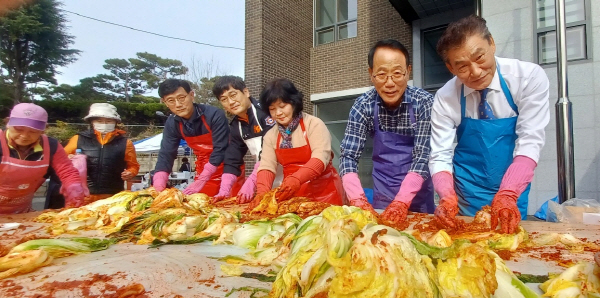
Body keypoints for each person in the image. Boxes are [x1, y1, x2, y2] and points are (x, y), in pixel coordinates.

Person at [430, 15, 550, 234]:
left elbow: (530, 141)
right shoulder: (446, 96)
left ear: (492, 43)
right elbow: (440, 155)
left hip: (511, 188)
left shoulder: (527, 77)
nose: (475, 72)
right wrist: (447, 198)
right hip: (466, 192)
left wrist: (508, 194)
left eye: (479, 57)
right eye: (462, 66)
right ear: (450, 68)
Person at [339, 39, 435, 223]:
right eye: (381, 74)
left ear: (408, 72)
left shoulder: (424, 103)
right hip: (383, 193)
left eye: (397, 73)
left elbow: (423, 156)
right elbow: (348, 157)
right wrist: (358, 200)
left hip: (419, 196)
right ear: (371, 74)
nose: (389, 83)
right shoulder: (363, 106)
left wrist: (401, 202)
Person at [249, 78, 344, 207]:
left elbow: (321, 157)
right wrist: (262, 193)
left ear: (294, 103)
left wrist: (296, 179)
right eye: (272, 109)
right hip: (294, 197)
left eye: (282, 106)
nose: (278, 113)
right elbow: (267, 166)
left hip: (326, 194)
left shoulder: (314, 124)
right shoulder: (270, 135)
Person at [153, 79, 244, 196]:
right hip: (203, 170)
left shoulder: (214, 114)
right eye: (171, 100)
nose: (178, 104)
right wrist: (159, 183)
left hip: (228, 167)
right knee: (202, 206)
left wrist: (203, 178)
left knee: (232, 205)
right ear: (165, 103)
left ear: (191, 95)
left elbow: (221, 148)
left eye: (181, 98)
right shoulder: (172, 123)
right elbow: (166, 154)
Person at [0, 103, 85, 213]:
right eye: (19, 129)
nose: (24, 136)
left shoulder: (51, 145)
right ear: (8, 124)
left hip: (20, 212)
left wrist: (74, 187)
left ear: (43, 131)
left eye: (33, 131)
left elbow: (67, 171)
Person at [211, 76, 280, 204]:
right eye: (224, 100)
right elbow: (232, 159)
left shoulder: (266, 113)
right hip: (266, 181)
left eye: (233, 95)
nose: (231, 102)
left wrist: (251, 182)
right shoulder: (236, 126)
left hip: (288, 176)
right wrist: (224, 190)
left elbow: (270, 151)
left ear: (246, 92)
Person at [58, 103, 140, 204]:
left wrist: (130, 172)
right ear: (92, 122)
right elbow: (60, 160)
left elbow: (134, 166)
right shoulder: (78, 139)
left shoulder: (125, 143)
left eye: (109, 121)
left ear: (115, 122)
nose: (104, 124)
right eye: (99, 121)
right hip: (82, 194)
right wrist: (69, 159)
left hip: (113, 196)